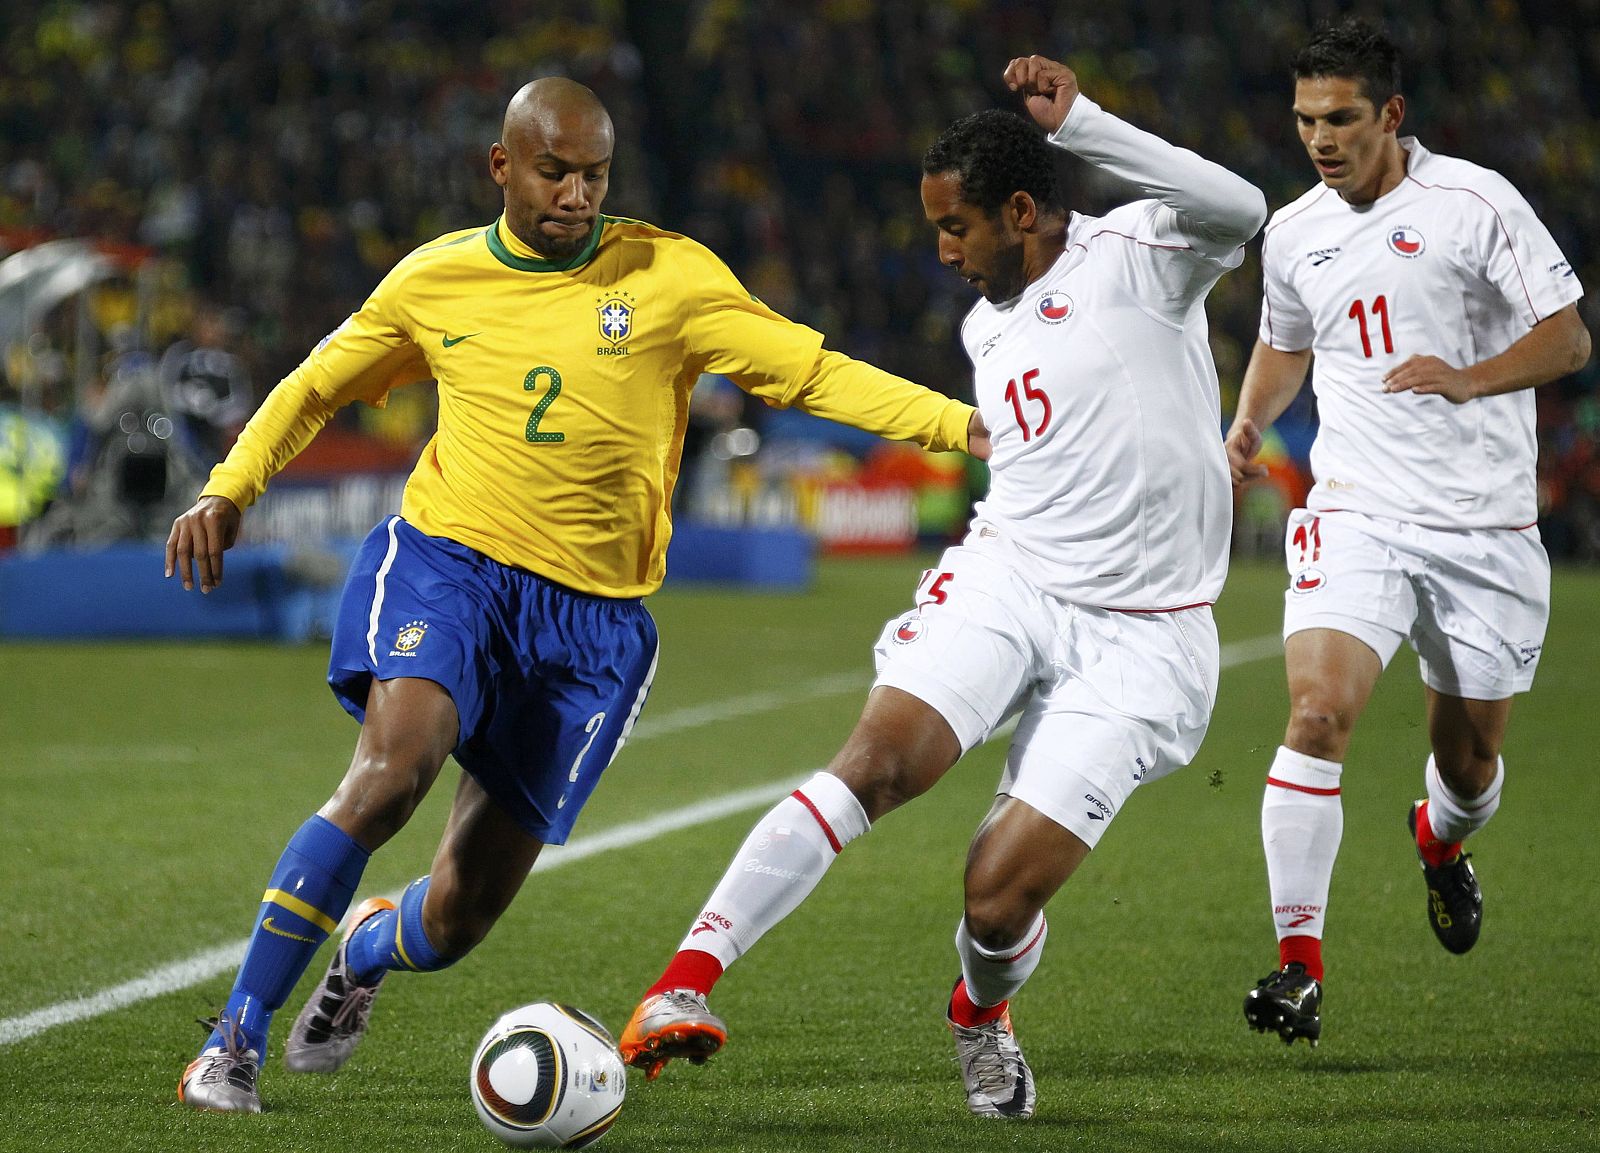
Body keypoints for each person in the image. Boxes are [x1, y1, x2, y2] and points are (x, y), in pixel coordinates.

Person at [165, 77, 986, 1114]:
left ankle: (367, 943)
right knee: (390, 770)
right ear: (502, 166)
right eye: (555, 171)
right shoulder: (438, 280)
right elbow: (316, 385)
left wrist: (963, 427)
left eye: (595, 174)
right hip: (449, 563)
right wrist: (228, 487)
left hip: (592, 624)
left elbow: (810, 374)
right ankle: (232, 1040)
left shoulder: (670, 275)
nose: (577, 194)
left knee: (458, 920)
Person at [619, 54, 1265, 1119]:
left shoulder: (1141, 257)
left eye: (955, 226)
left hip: (1145, 633)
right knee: (878, 761)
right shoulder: (984, 326)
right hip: (1010, 576)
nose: (942, 251)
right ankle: (678, 986)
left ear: (1022, 209)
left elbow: (1239, 207)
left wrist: (1087, 124)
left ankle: (979, 1009)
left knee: (995, 894)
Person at [1228, 18, 1590, 1048]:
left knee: (1470, 767)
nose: (1319, 139)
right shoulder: (1294, 231)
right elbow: (1281, 342)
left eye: (1339, 118)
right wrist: (1249, 421)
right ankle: (1299, 965)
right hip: (1356, 511)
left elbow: (1567, 337)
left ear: (1390, 114)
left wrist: (1465, 377)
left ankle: (1438, 840)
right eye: (1304, 120)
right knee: (1314, 716)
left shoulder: (1474, 204)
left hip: (1485, 529)